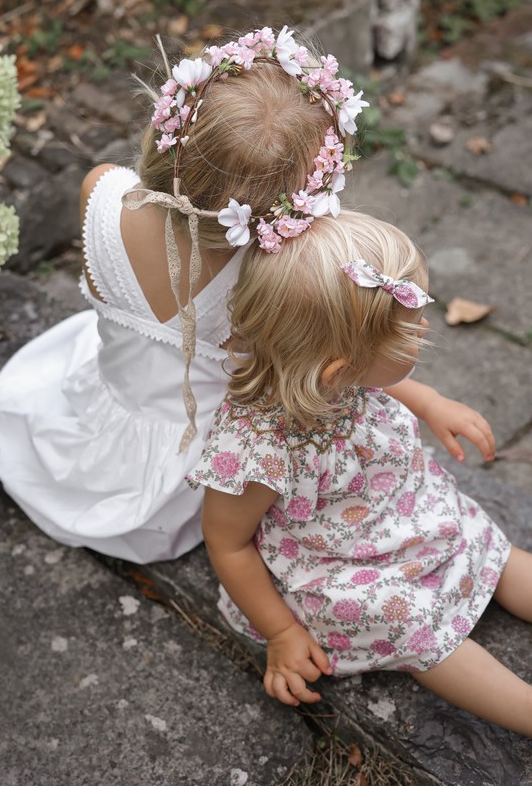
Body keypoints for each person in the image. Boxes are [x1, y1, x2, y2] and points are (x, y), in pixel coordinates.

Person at [0, 25, 488, 566]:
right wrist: (428, 400)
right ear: (296, 208)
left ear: (171, 129)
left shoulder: (100, 191)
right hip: (198, 474)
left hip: (105, 407)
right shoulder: (268, 280)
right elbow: (341, 361)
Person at [187, 210, 532, 735]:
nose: (425, 329)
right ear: (339, 371)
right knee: (410, 624)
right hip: (334, 564)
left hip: (401, 510)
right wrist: (280, 632)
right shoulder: (257, 449)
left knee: (478, 536)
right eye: (410, 332)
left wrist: (430, 401)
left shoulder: (325, 369)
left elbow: (380, 380)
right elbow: (227, 543)